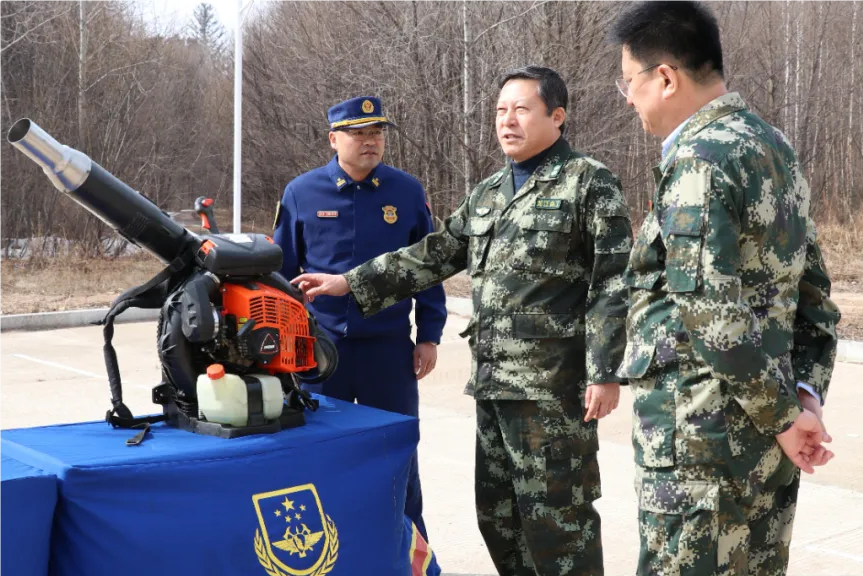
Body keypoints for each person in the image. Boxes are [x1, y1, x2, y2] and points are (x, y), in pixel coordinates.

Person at [291, 66, 633, 576]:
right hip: (494, 387)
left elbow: (614, 282)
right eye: (500, 111)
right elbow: (433, 254)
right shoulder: (490, 191)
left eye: (521, 109)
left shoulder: (589, 183)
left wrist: (604, 370)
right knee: (500, 517)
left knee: (558, 521)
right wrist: (349, 283)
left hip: (551, 392)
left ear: (556, 117)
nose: (506, 121)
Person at [608, 1, 840, 574]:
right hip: (761, 446)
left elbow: (709, 305)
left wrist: (788, 419)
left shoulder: (700, 160)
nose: (629, 99)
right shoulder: (773, 147)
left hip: (700, 445)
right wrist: (801, 400)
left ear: (665, 77)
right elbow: (813, 296)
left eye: (628, 82)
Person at [272, 96, 447, 542]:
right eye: (358, 133)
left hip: (387, 351)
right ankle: (328, 553)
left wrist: (429, 335)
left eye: (377, 133)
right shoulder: (301, 192)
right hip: (320, 352)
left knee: (397, 457)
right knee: (317, 455)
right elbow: (281, 277)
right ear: (334, 139)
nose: (370, 141)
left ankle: (410, 556)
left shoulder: (406, 192)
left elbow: (428, 267)